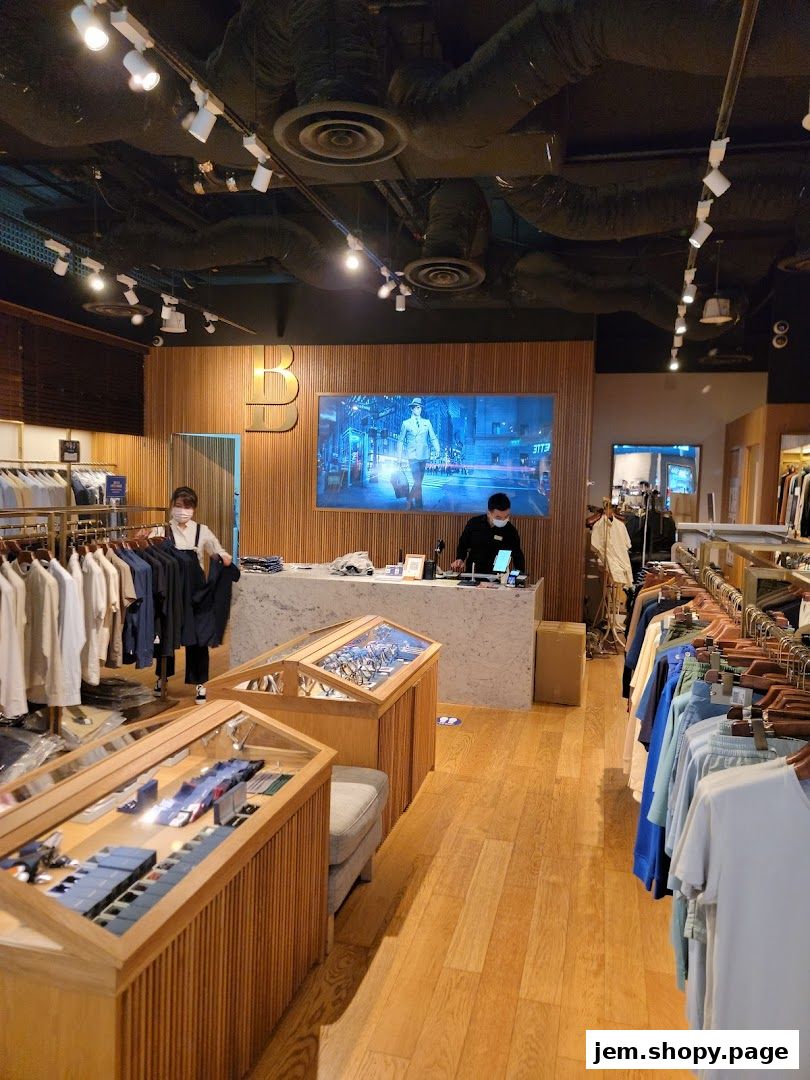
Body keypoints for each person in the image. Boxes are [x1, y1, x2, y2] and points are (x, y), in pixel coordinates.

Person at [157, 486, 232, 703]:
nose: (182, 510)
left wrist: (224, 557)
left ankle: (200, 683)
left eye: (187, 506)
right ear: (172, 506)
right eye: (178, 506)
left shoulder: (202, 530)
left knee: (198, 636)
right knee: (166, 631)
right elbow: (146, 547)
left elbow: (217, 549)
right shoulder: (162, 530)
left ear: (194, 509)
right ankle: (162, 677)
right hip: (170, 589)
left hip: (196, 591)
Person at [451, 492, 526, 575]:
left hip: (498, 578)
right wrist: (460, 559)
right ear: (489, 513)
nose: (503, 520)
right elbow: (463, 544)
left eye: (506, 516)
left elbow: (517, 555)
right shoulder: (474, 524)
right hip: (473, 574)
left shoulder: (510, 531)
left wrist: (519, 575)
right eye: (498, 517)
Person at [397, 397, 440, 510]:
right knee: (417, 481)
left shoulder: (427, 423)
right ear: (412, 409)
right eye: (417, 407)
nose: (419, 409)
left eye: (420, 407)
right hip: (412, 456)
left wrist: (437, 449)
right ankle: (412, 502)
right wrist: (399, 457)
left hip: (424, 456)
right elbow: (400, 441)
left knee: (419, 482)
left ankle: (417, 503)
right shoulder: (406, 423)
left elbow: (433, 437)